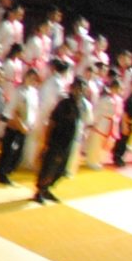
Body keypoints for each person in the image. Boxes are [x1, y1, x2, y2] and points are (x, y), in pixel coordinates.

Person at [33, 76, 86, 205]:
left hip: (68, 142)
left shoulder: (80, 105)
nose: (79, 92)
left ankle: (47, 188)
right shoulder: (64, 104)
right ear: (72, 88)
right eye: (77, 89)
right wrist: (47, 141)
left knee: (61, 170)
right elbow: (52, 122)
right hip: (57, 141)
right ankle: (40, 191)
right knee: (49, 167)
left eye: (82, 90)